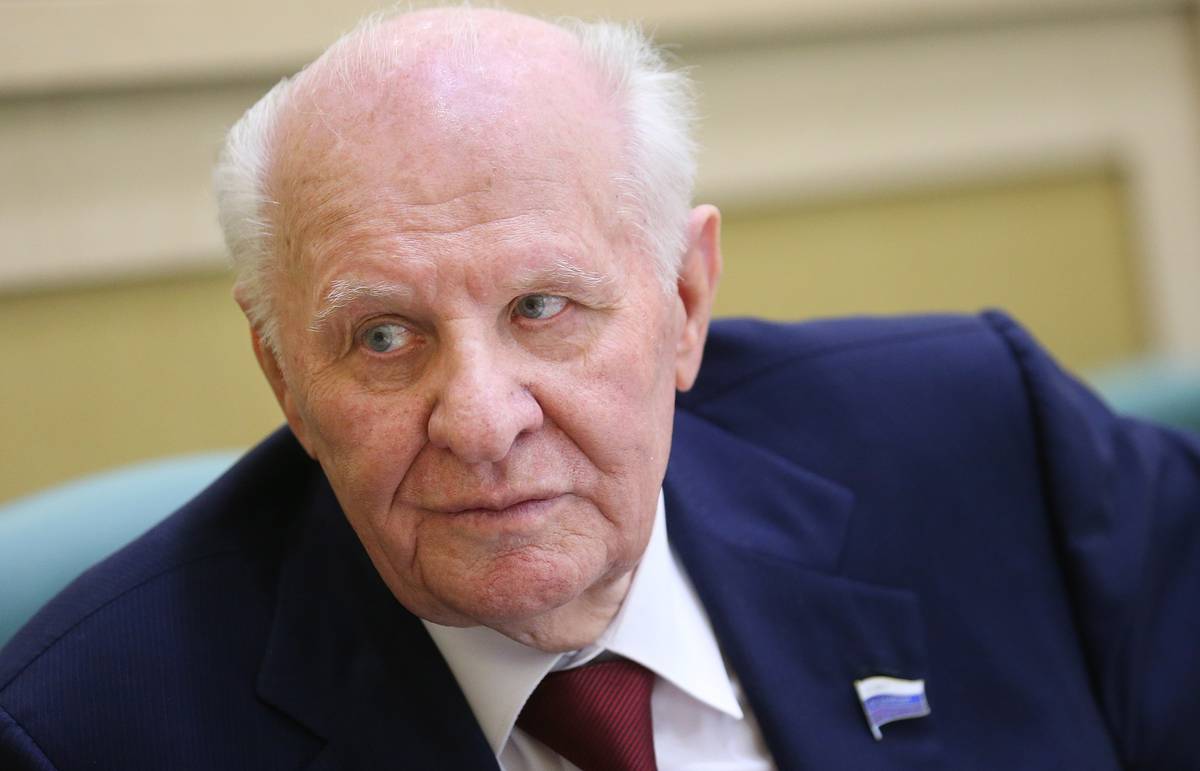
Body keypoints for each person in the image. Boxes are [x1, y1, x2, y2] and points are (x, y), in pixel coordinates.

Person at [2, 7, 1198, 770]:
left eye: (541, 308)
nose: (482, 422)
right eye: (384, 337)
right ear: (283, 375)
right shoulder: (90, 735)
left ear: (684, 300)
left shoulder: (986, 437)